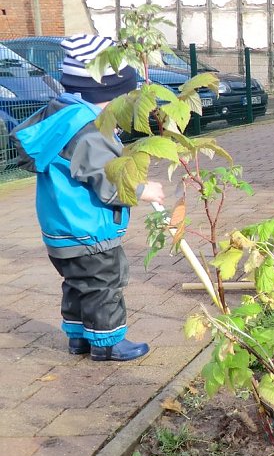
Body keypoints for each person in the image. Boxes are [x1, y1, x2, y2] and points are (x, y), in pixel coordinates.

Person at [12, 34, 165, 361]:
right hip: (89, 229)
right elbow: (107, 182)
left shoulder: (62, 117)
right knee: (104, 284)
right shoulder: (90, 131)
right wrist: (141, 189)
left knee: (77, 283)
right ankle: (108, 343)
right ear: (106, 95)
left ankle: (79, 337)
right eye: (123, 98)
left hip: (61, 230)